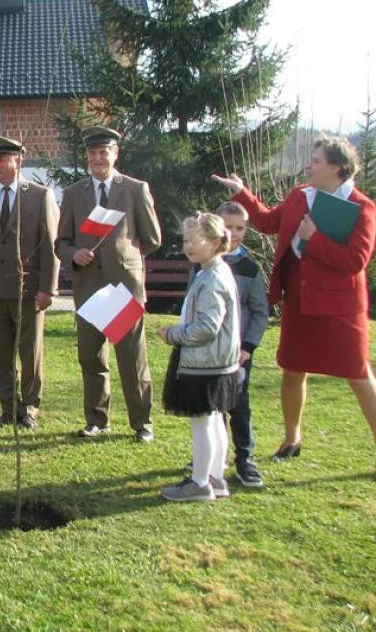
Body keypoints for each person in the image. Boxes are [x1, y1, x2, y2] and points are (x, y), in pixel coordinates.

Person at [212, 136, 376, 462]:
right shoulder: (301, 195)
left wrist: (313, 239)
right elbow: (267, 221)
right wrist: (241, 191)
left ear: (336, 167)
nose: (309, 165)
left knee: (358, 376)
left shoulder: (361, 207)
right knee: (292, 369)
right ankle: (291, 440)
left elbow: (355, 261)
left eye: (315, 160)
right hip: (299, 302)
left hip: (340, 309)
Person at [57, 126, 162, 443]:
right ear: (86, 157)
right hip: (89, 287)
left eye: (104, 152)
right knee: (91, 359)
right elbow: (60, 242)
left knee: (132, 360)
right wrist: (75, 254)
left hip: (122, 289)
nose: (98, 158)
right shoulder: (74, 194)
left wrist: (125, 254)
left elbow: (153, 238)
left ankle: (142, 423)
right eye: (92, 153)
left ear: (115, 154)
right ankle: (97, 420)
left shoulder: (133, 189)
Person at [0, 135, 59, 430]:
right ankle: (8, 408)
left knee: (30, 352)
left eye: (1, 160)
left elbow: (50, 245)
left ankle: (29, 409)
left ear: (18, 160)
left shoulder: (40, 195)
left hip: (29, 291)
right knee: (0, 353)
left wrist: (48, 287)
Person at [160, 212, 240, 502]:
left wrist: (174, 335)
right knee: (215, 418)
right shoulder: (211, 271)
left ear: (217, 241)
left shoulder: (212, 278)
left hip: (206, 363)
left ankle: (200, 483)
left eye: (198, 240)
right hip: (217, 361)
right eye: (186, 240)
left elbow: (207, 327)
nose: (189, 246)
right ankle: (216, 477)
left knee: (204, 422)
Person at [205, 201, 269, 487]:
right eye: (227, 227)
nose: (233, 233)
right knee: (210, 406)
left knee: (239, 405)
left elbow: (260, 312)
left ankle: (245, 459)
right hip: (209, 350)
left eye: (240, 228)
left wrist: (249, 347)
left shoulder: (249, 268)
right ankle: (210, 457)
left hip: (239, 353)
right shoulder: (202, 264)